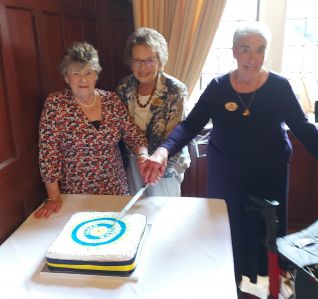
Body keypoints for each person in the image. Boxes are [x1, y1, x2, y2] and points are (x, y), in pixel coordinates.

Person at [140, 21, 318, 296]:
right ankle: (228, 283)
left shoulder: (280, 87)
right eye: (245, 49)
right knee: (227, 230)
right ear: (234, 51)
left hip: (269, 173)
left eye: (260, 50)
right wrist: (163, 151)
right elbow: (191, 124)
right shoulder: (218, 87)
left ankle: (270, 280)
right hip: (228, 173)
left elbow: (303, 128)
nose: (252, 57)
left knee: (267, 232)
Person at [34, 42, 148, 219]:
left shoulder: (112, 100)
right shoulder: (56, 104)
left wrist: (142, 156)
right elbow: (49, 154)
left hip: (116, 188)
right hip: (77, 193)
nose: (83, 79)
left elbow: (134, 135)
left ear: (96, 74)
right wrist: (53, 197)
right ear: (66, 77)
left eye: (88, 72)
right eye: (76, 73)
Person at [116, 27, 190, 197]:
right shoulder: (124, 87)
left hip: (165, 162)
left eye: (149, 60)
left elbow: (176, 134)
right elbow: (122, 128)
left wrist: (156, 165)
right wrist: (140, 156)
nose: (142, 67)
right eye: (137, 60)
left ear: (160, 60)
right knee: (137, 212)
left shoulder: (175, 90)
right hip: (135, 161)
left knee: (163, 215)